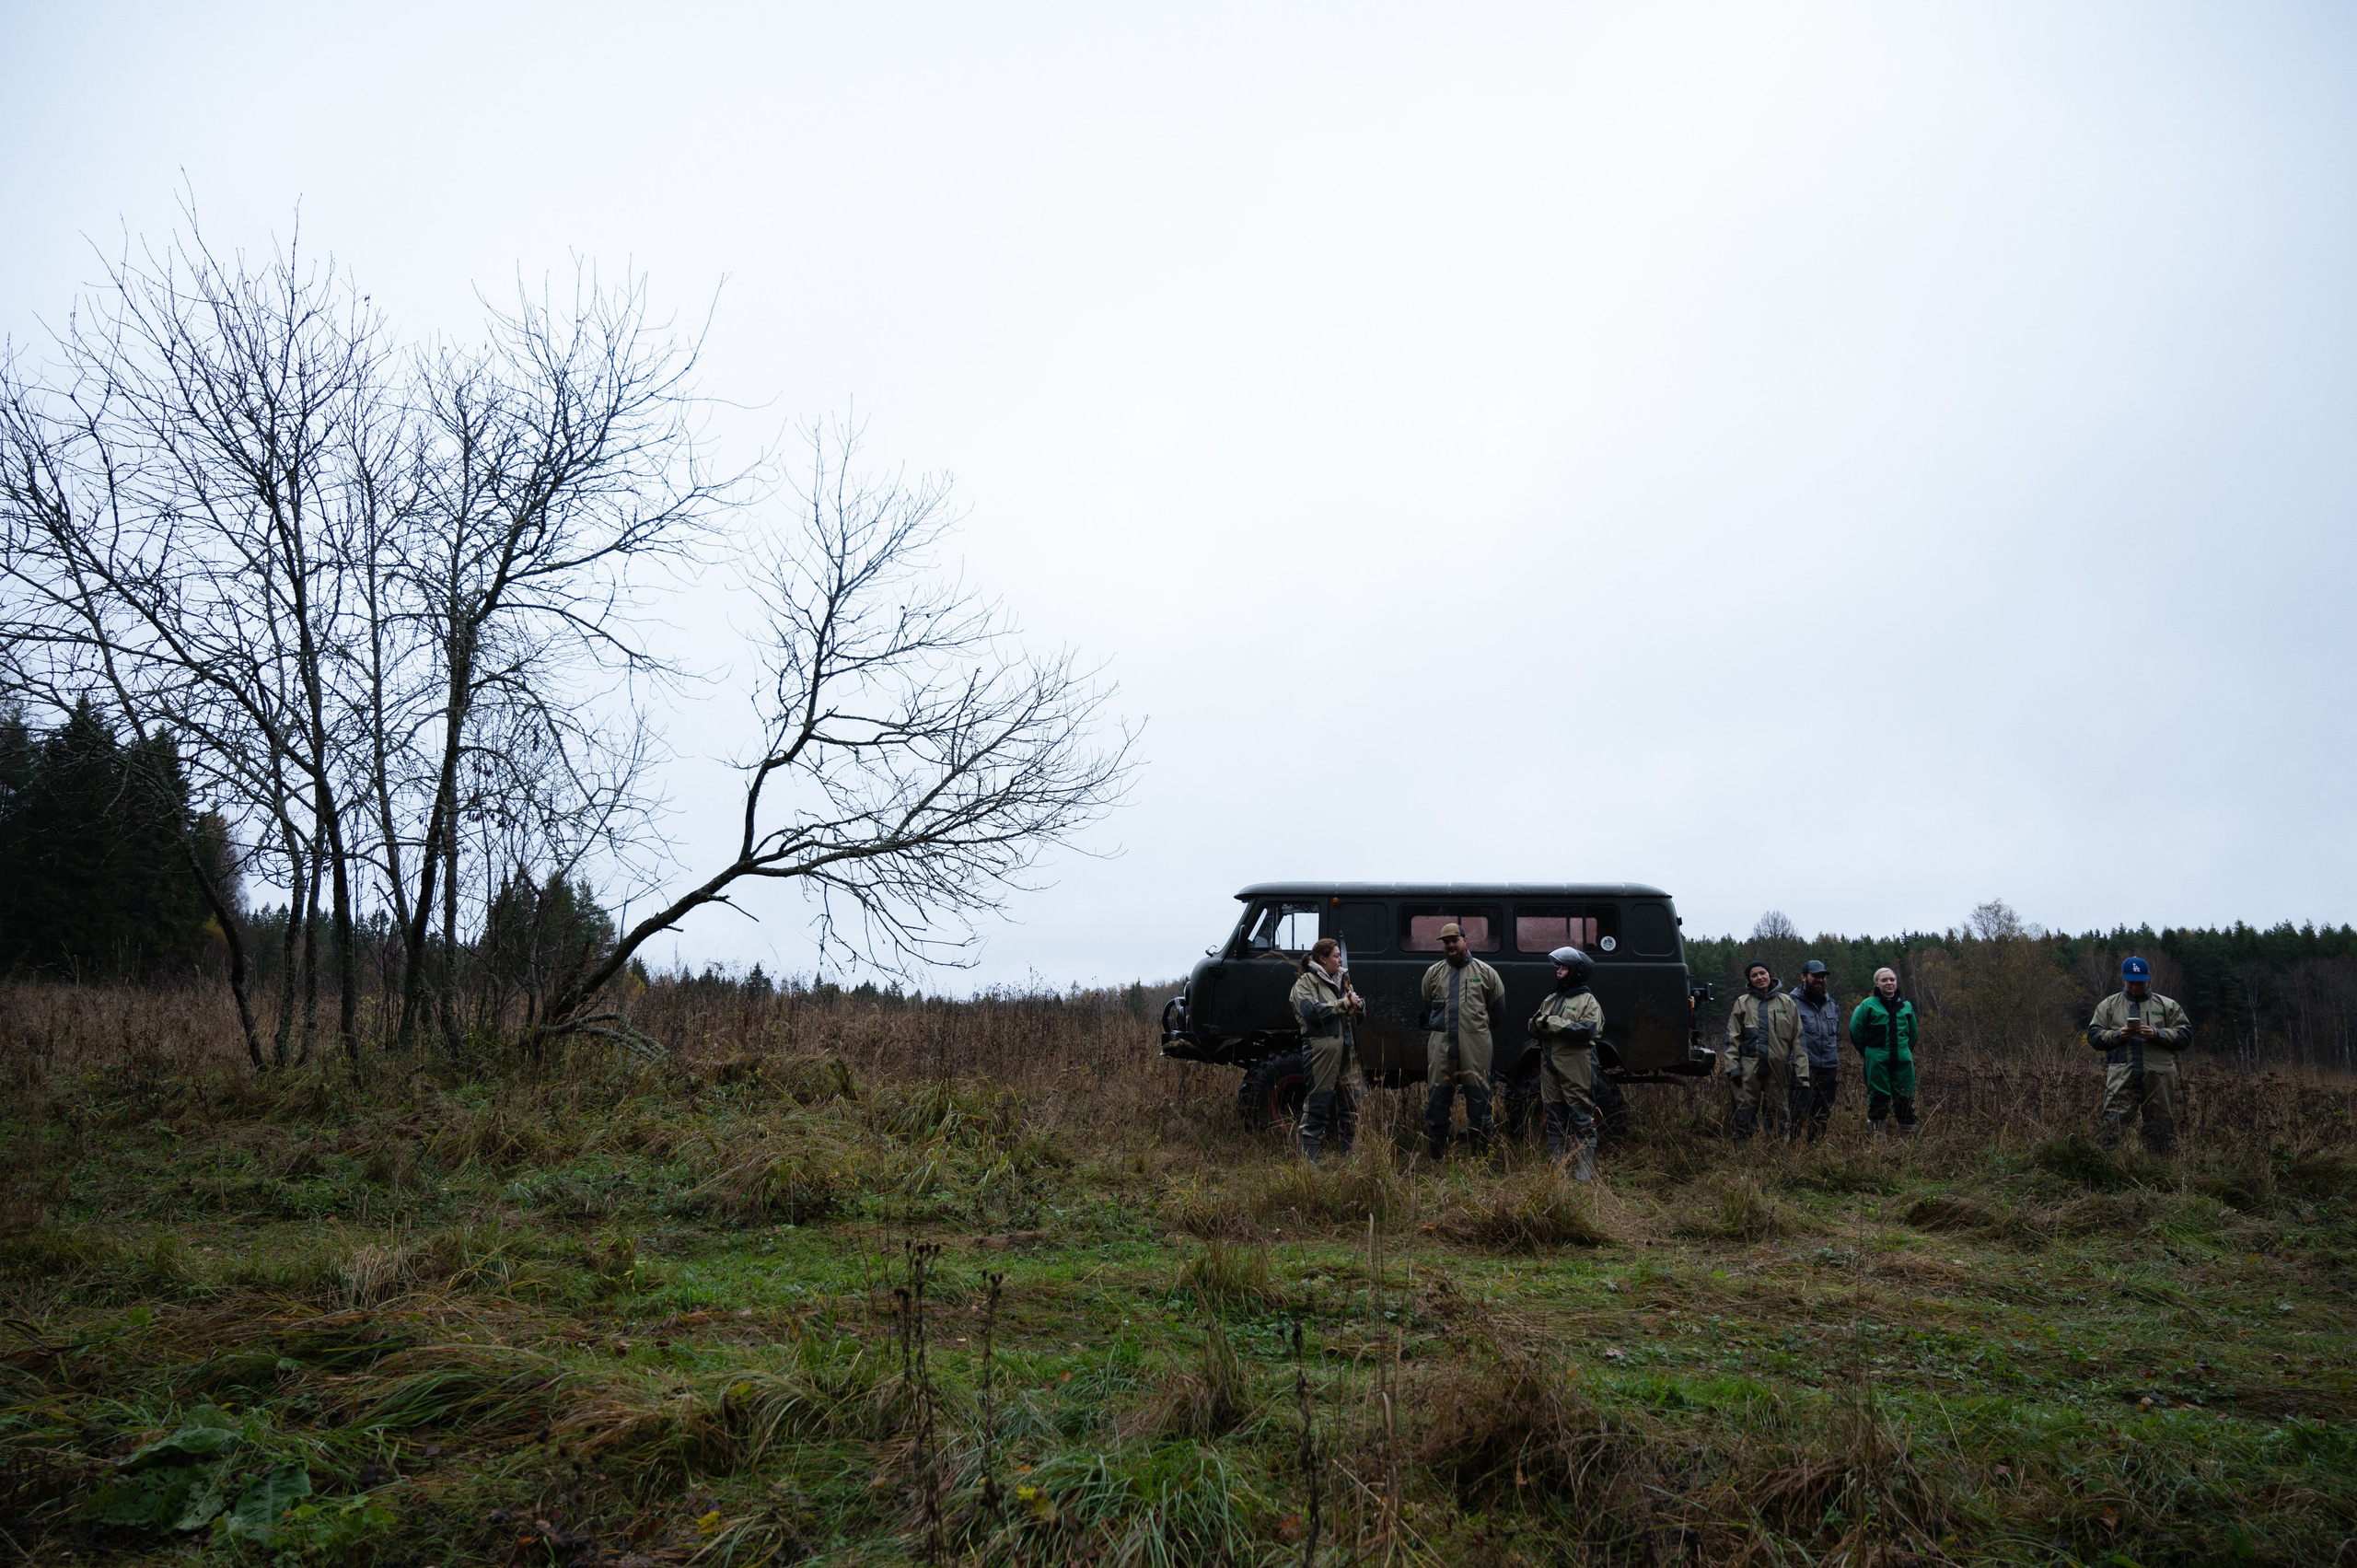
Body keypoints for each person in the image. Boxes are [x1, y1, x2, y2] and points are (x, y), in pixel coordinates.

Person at [2085, 955, 2191, 1153]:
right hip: (2121, 1075)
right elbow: (2093, 1037)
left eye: (2140, 983)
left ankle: (2161, 1167)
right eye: (2131, 982)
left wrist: (2158, 1034)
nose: (2135, 987)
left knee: (2160, 1126)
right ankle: (2107, 1165)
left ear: (2148, 979)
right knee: (2112, 1126)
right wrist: (2117, 1035)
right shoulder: (2108, 1005)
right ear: (2123, 979)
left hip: (2159, 1076)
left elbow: (2185, 1036)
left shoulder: (2167, 1005)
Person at [1421, 922, 1507, 1161]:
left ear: (1465, 941)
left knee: (1480, 1103)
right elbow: (1427, 1007)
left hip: (1476, 1048)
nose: (1450, 945)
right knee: (1437, 1102)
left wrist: (1474, 1032)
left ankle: (1480, 1158)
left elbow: (1498, 1012)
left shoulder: (1486, 973)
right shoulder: (1433, 974)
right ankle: (1436, 1156)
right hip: (1441, 1048)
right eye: (1446, 942)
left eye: (1454, 940)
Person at [1526, 945, 1604, 1180]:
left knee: (1581, 1117)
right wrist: (1539, 1023)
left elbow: (1587, 1030)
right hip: (1549, 1065)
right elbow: (1534, 1024)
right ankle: (1558, 1169)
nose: (1558, 971)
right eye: (1558, 967)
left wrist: (1550, 1023)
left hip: (1577, 1065)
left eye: (1563, 968)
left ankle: (1583, 1173)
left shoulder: (1587, 1001)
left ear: (1575, 971)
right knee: (1554, 1117)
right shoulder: (1552, 998)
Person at [1288, 937, 1364, 1162]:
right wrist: (1344, 1004)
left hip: (1348, 1054)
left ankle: (1350, 1160)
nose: (1340, 960)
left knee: (1351, 1107)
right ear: (1322, 958)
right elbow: (1312, 1013)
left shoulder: (1342, 981)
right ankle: (1308, 1165)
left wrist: (1359, 1005)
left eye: (1340, 956)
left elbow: (1356, 1016)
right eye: (1336, 956)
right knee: (1318, 1107)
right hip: (1321, 1053)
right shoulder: (1306, 983)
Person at [1724, 960, 1809, 1141]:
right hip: (1748, 1069)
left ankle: (1777, 1152)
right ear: (1750, 980)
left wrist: (1802, 1073)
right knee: (1743, 1114)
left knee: (1779, 1116)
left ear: (1770, 975)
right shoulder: (1742, 1003)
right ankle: (1744, 1152)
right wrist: (1733, 1068)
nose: (1759, 977)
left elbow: (1798, 1040)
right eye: (1754, 975)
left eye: (1762, 973)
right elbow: (1732, 1038)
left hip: (1779, 1068)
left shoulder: (1787, 1002)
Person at [1848, 967, 1920, 1137]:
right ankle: (1878, 1139)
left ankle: (1907, 1139)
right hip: (1876, 1060)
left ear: (1896, 982)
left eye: (1892, 979)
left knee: (1904, 1098)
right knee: (1878, 1098)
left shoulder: (1906, 1006)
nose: (1889, 983)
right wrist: (1868, 1053)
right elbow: (1855, 1031)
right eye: (1884, 980)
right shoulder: (1867, 1005)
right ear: (1876, 984)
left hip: (1903, 1061)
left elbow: (1913, 1033)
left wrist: (1904, 1051)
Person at [1788, 958, 1843, 1138]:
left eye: (1822, 976)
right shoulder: (1790, 1003)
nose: (1820, 979)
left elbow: (1836, 1035)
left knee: (1823, 1111)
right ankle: (1794, 1146)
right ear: (1803, 977)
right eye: (1815, 976)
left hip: (1828, 1066)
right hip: (1802, 1067)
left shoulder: (1832, 1005)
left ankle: (1815, 1146)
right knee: (1797, 1110)